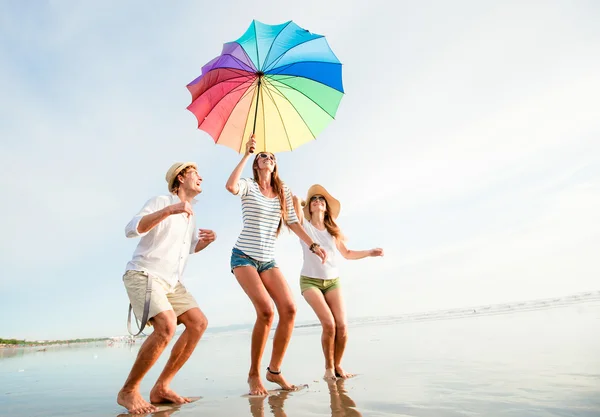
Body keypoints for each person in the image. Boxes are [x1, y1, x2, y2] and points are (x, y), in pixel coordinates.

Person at [225, 135, 327, 396]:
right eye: (263, 156)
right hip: (244, 256)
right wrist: (247, 153)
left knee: (290, 309)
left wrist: (314, 246)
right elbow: (230, 186)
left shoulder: (284, 191)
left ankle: (275, 371)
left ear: (275, 164)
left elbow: (294, 223)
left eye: (271, 156)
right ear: (257, 165)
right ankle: (253, 375)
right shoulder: (248, 185)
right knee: (266, 312)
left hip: (267, 260)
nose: (267, 158)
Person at [117, 162, 216, 414]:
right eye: (196, 174)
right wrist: (170, 209)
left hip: (171, 282)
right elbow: (132, 229)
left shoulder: (190, 216)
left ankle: (162, 387)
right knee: (166, 326)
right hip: (143, 274)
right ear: (181, 178)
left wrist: (204, 242)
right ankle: (128, 391)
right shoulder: (161, 201)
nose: (201, 177)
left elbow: (188, 249)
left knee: (198, 323)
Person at [292, 185, 383, 380]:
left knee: (342, 327)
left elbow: (348, 254)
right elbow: (293, 201)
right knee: (329, 324)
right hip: (310, 281)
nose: (318, 201)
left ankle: (338, 365)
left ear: (326, 208)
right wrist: (301, 201)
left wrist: (369, 253)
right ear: (309, 207)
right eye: (314, 199)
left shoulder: (333, 232)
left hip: (333, 281)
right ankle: (328, 369)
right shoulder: (303, 226)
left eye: (321, 200)